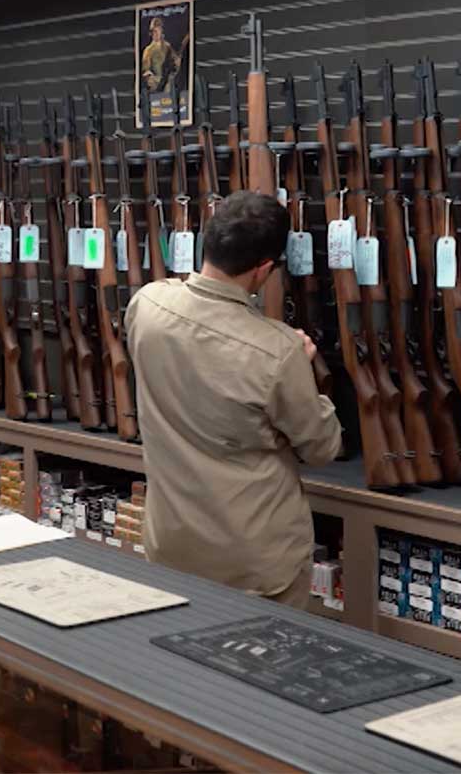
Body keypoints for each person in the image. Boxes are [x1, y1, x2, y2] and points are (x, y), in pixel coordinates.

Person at [125, 191, 342, 608]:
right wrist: (307, 372)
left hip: (171, 545)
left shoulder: (147, 305)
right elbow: (321, 447)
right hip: (254, 565)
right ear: (263, 269)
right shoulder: (277, 351)